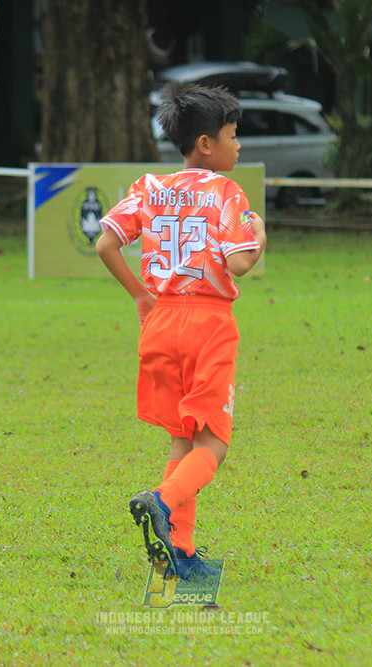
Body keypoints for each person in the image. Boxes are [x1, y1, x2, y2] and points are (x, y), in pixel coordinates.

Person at [95, 82, 267, 580]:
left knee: (181, 438)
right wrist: (259, 237)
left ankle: (180, 553)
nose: (239, 146)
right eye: (234, 136)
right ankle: (162, 501)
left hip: (161, 320)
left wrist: (139, 295)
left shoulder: (149, 187)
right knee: (213, 444)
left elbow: (106, 245)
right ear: (207, 144)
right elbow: (238, 264)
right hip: (208, 322)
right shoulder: (225, 191)